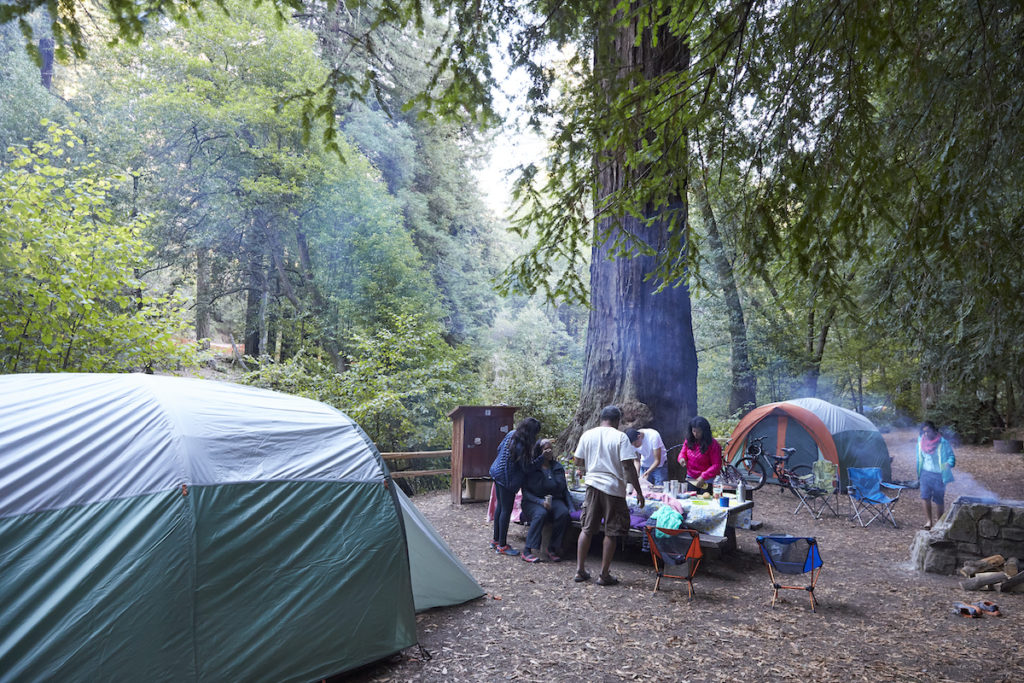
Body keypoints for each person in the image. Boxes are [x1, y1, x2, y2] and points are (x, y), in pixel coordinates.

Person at [573, 405, 644, 586]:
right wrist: (638, 491)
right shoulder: (620, 437)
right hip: (613, 489)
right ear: (617, 421)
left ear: (601, 418)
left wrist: (591, 464)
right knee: (611, 531)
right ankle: (604, 575)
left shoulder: (588, 434)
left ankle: (580, 571)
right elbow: (628, 467)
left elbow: (578, 460)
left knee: (587, 528)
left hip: (592, 486)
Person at [489, 417, 542, 556]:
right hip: (508, 479)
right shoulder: (522, 445)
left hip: (497, 472)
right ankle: (502, 545)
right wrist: (541, 459)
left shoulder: (511, 434)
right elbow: (527, 468)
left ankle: (496, 540)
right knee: (505, 510)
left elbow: (499, 448)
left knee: (500, 508)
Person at [520, 439, 573, 563]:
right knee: (541, 513)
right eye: (545, 449)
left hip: (554, 499)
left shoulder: (557, 467)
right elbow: (526, 492)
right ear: (539, 451)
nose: (549, 452)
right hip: (532, 501)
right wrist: (540, 502)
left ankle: (552, 547)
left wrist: (571, 507)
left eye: (550, 449)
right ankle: (527, 550)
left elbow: (564, 490)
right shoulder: (532, 468)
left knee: (563, 513)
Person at [917, 420, 956, 530]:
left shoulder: (943, 443)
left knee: (939, 499)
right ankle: (929, 521)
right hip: (925, 473)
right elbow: (919, 457)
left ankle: (939, 523)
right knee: (925, 497)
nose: (926, 434)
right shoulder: (920, 442)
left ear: (934, 431)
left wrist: (949, 463)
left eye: (928, 431)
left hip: (939, 474)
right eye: (923, 432)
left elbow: (951, 456)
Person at [678, 415, 722, 492]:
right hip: (691, 477)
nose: (695, 434)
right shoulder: (689, 440)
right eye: (694, 431)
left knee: (705, 500)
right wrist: (682, 458)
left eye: (698, 431)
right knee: (691, 499)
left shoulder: (713, 444)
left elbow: (716, 465)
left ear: (704, 431)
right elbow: (683, 452)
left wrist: (703, 476)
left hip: (707, 480)